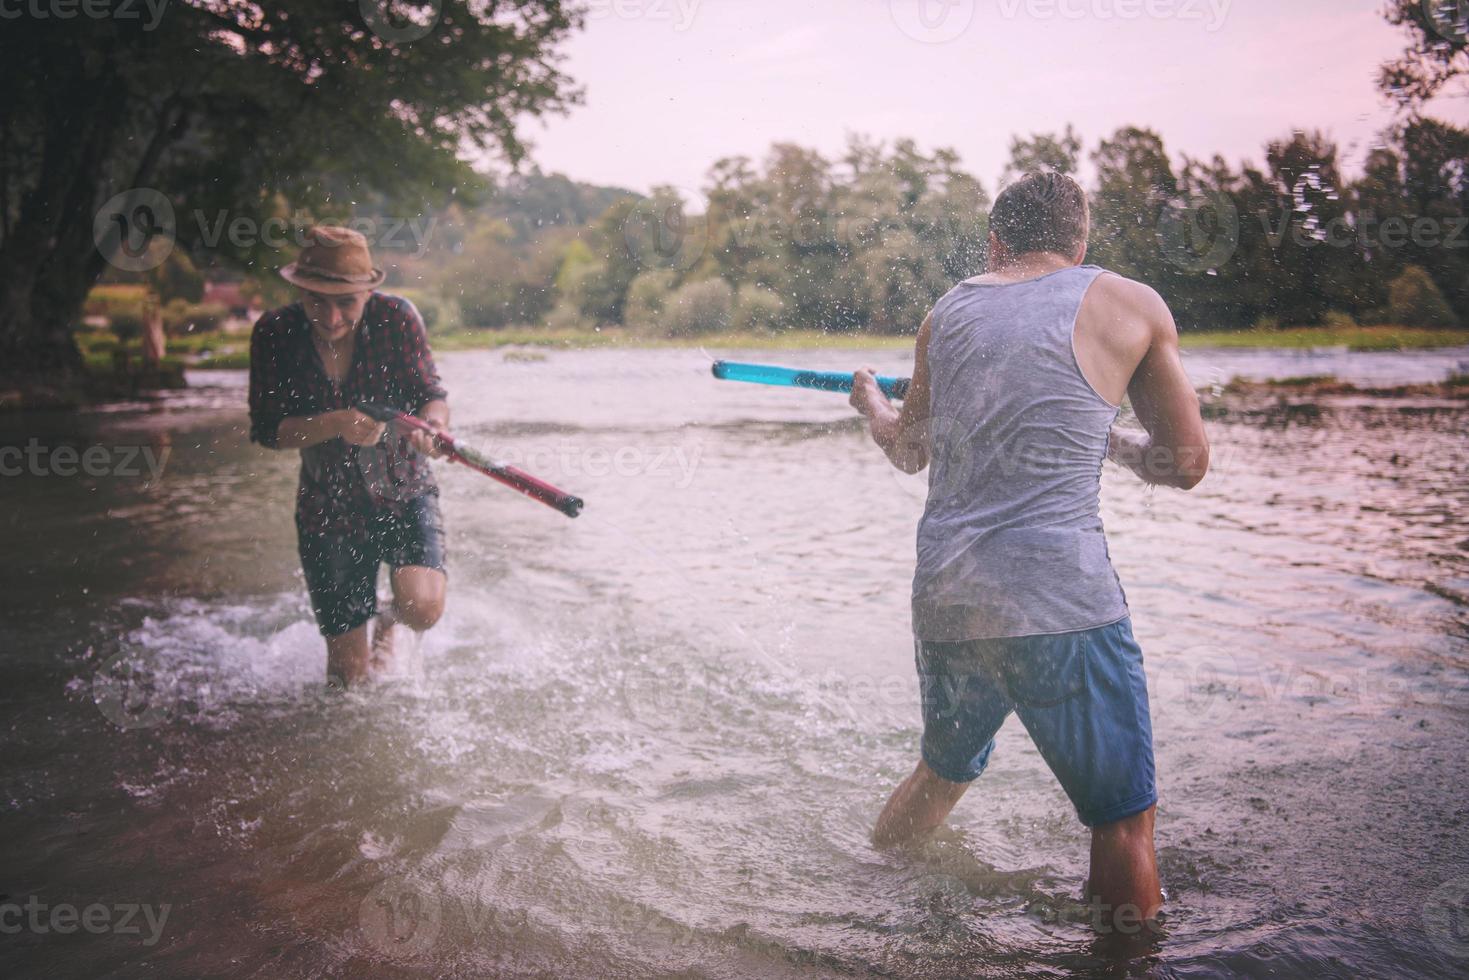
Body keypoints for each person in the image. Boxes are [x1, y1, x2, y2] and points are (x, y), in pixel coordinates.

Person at [849, 172, 1209, 930]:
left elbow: (907, 449)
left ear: (994, 241)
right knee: (1119, 822)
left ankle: (867, 908)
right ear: (1080, 244)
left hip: (948, 601)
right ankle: (1123, 961)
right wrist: (1106, 438)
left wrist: (871, 405)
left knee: (942, 773)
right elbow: (1186, 462)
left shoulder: (946, 311)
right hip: (1058, 603)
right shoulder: (1129, 303)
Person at [248, 225, 451, 688]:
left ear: (368, 292)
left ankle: (388, 621)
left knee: (422, 607)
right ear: (300, 289)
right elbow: (267, 430)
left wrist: (434, 427)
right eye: (318, 300)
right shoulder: (275, 333)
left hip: (403, 488)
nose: (332, 316)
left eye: (346, 302)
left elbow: (431, 395)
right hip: (327, 505)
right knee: (347, 678)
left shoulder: (397, 318)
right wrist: (335, 423)